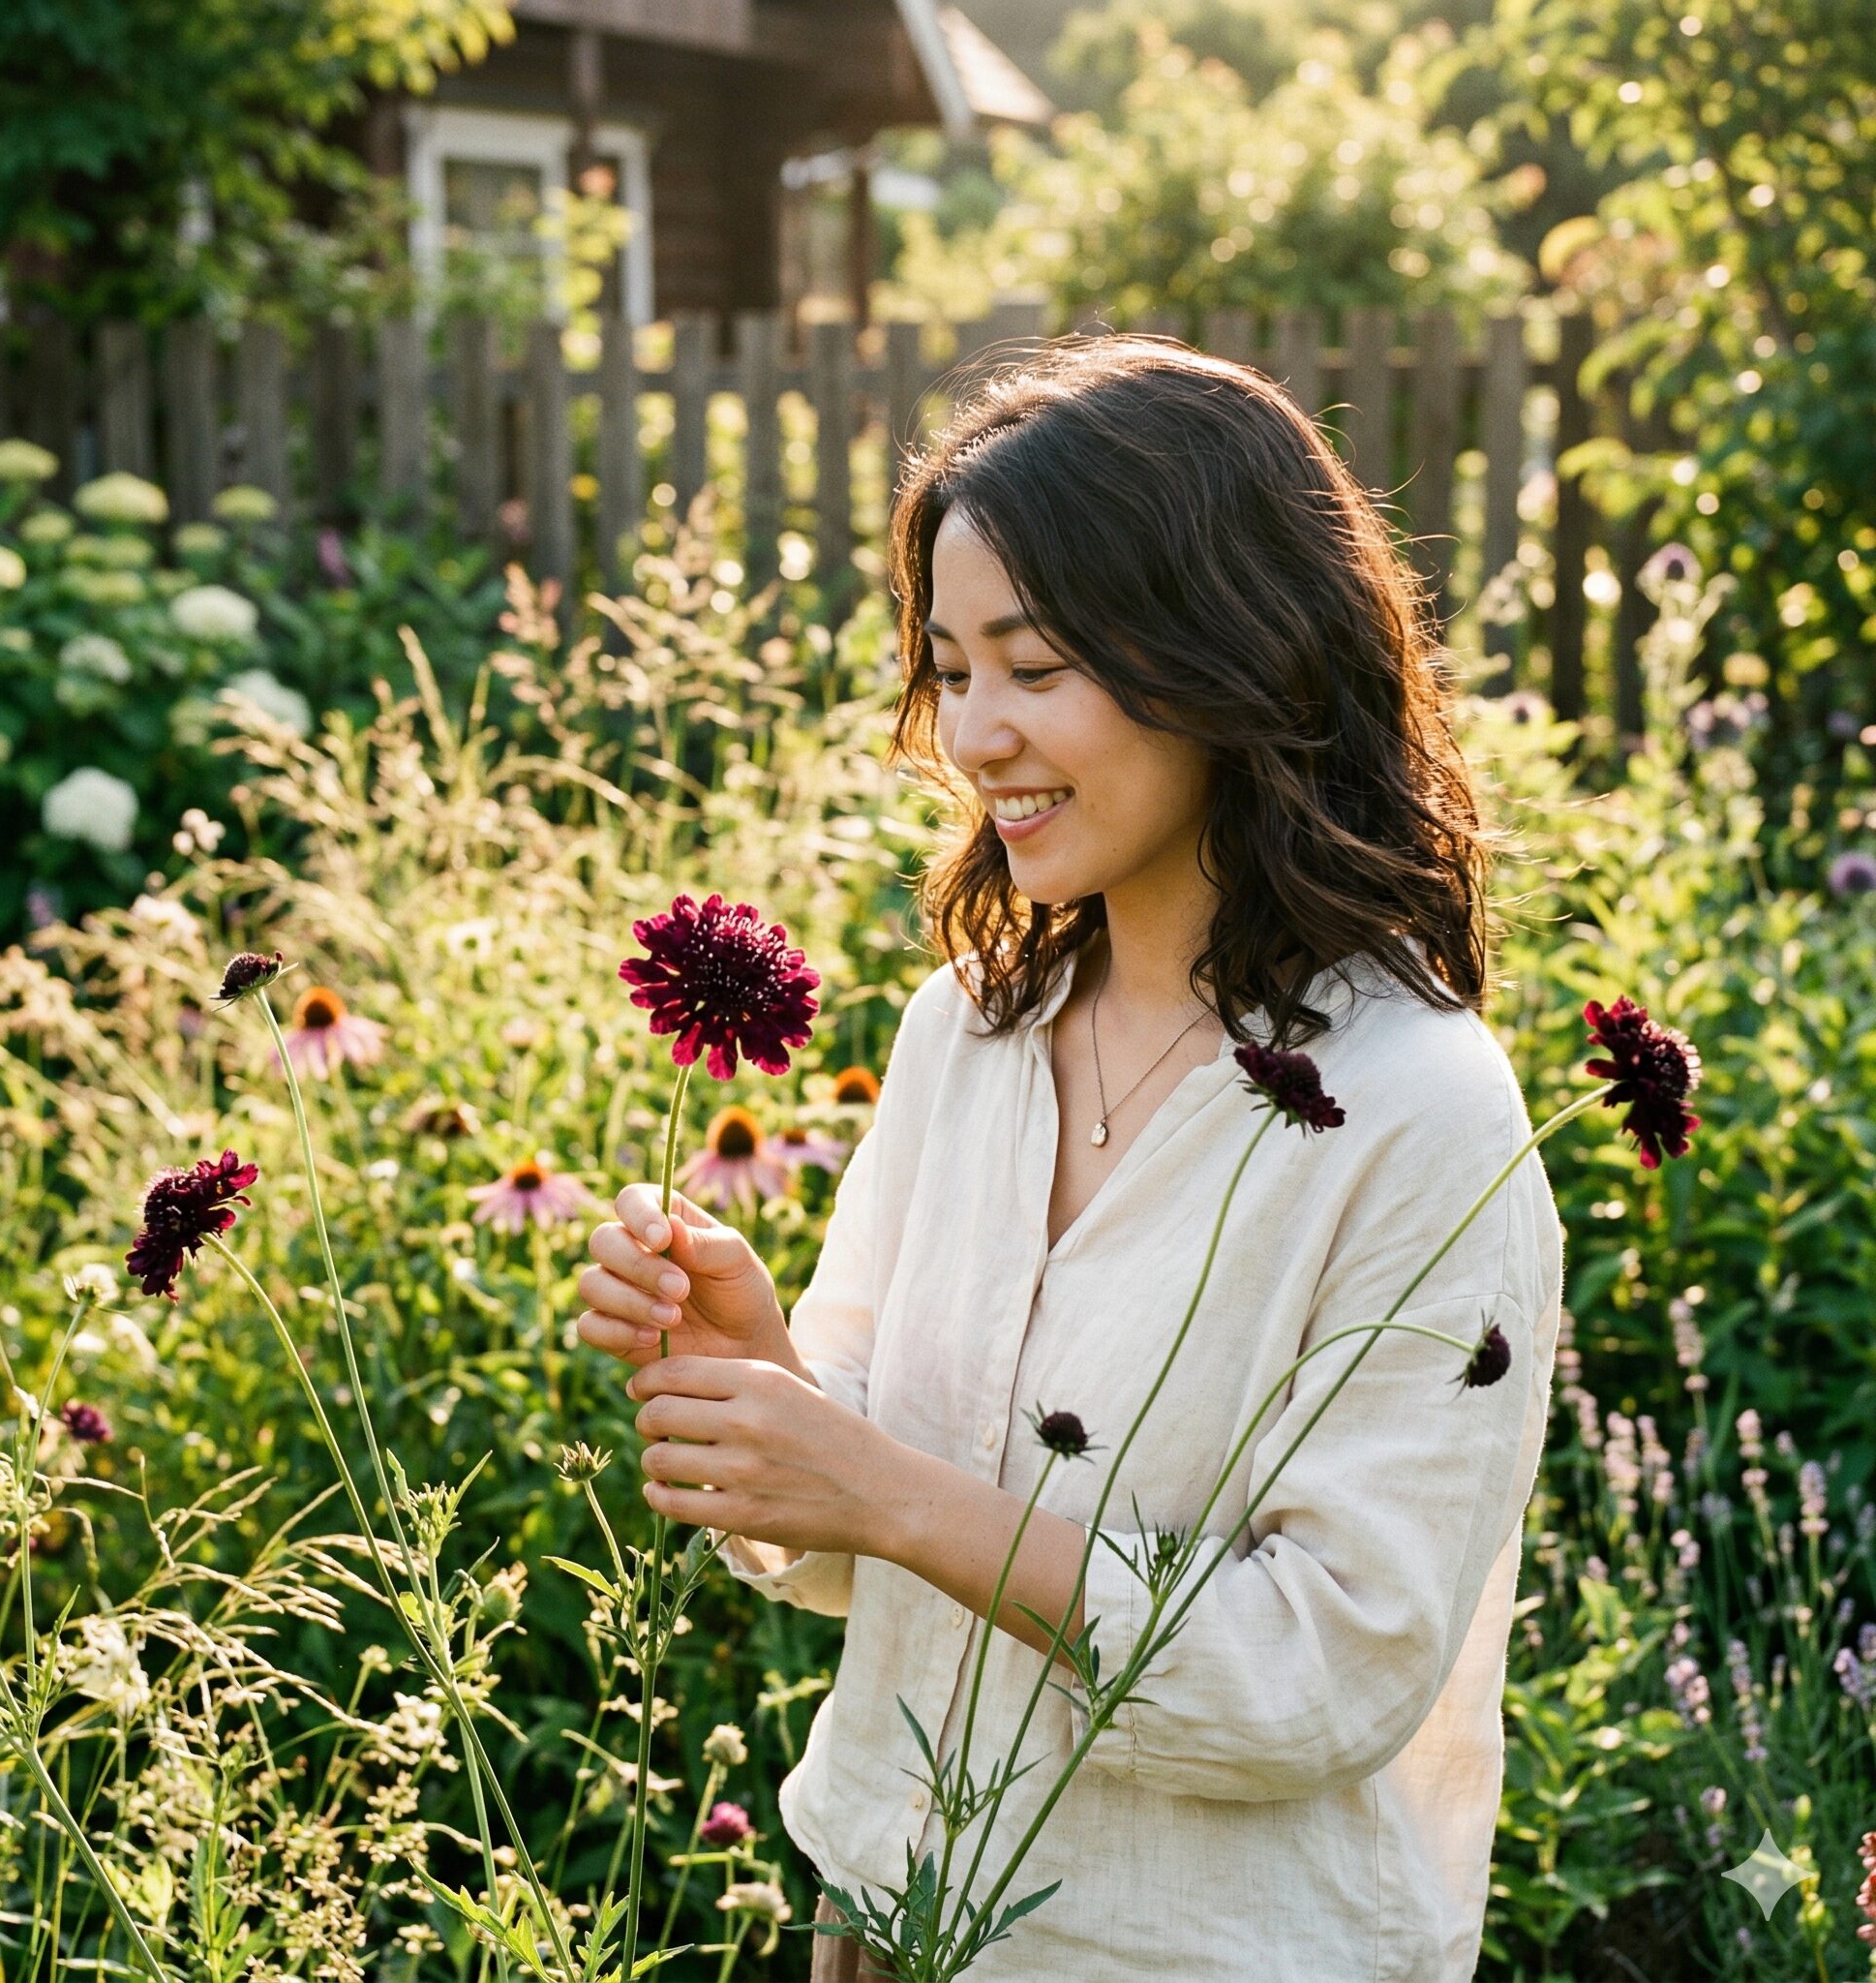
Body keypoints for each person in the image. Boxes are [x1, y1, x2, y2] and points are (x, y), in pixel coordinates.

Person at [578, 333, 1563, 1981]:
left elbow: (1325, 1669)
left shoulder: (1423, 1113)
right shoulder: (964, 1036)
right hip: (882, 1915)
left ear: (1234, 651)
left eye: (1035, 666)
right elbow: (850, 1545)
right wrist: (769, 1385)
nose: (976, 735)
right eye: (951, 669)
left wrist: (887, 1493)